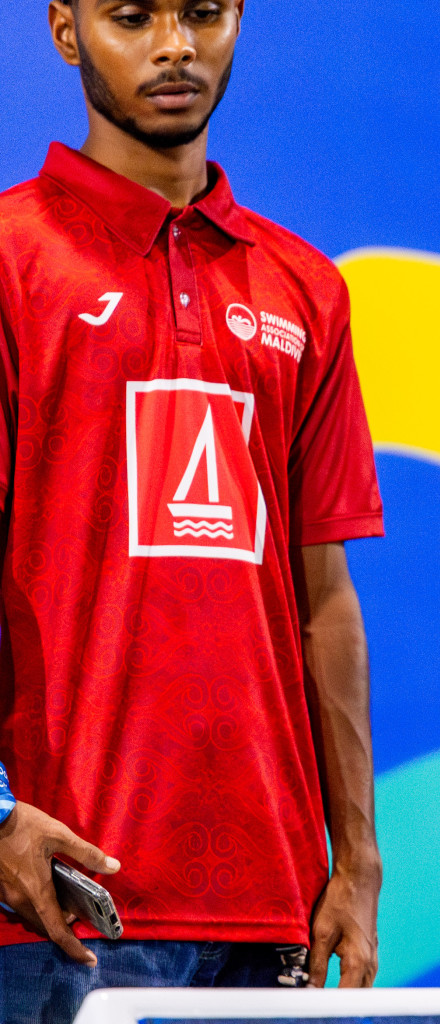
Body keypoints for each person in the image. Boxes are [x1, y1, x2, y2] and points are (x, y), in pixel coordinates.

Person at [0, 1, 385, 1016]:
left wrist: (359, 857)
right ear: (64, 29)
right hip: (59, 902)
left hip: (273, 903)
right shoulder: (7, 259)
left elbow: (326, 599)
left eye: (203, 13)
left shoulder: (306, 287)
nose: (175, 47)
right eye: (132, 16)